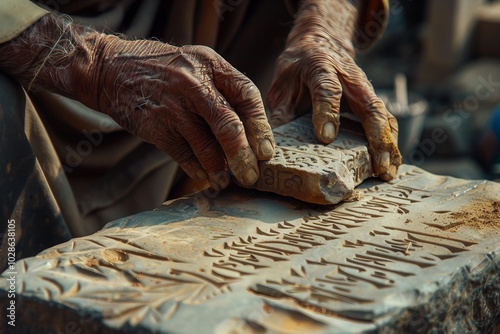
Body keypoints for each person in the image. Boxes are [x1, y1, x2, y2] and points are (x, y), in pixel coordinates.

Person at [0, 0, 401, 270]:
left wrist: (324, 27)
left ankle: (221, 210)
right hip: (34, 65)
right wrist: (97, 63)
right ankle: (27, 291)